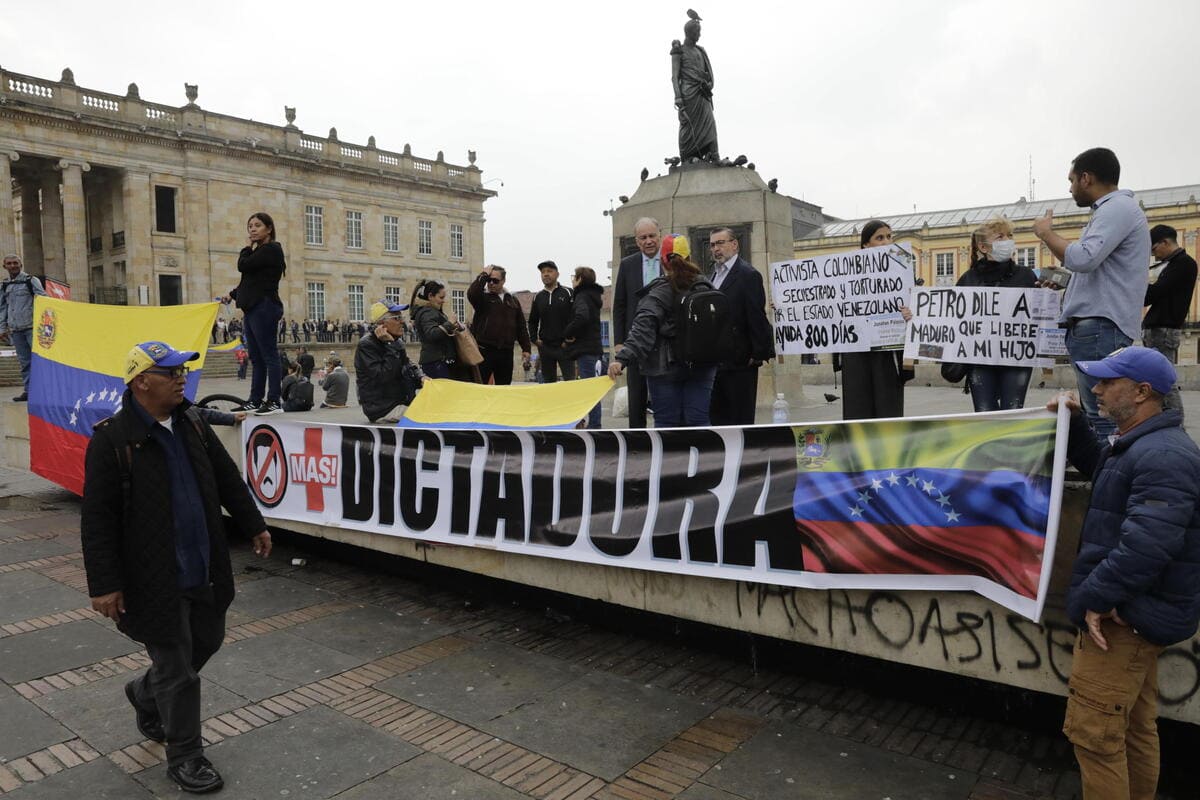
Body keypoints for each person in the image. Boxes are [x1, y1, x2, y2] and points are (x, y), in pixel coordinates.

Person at [81, 341, 272, 794]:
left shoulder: (192, 421)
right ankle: (185, 756)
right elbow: (97, 520)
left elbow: (226, 477)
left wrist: (254, 524)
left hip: (204, 565)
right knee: (179, 669)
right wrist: (105, 584)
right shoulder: (112, 438)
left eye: (182, 369)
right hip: (152, 577)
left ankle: (145, 692)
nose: (181, 377)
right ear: (141, 381)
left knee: (207, 641)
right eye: (169, 372)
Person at [1045, 347, 1200, 800]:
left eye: (1107, 383)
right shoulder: (1142, 443)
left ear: (1141, 392)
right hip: (1136, 613)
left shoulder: (1163, 456)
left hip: (1121, 622)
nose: (1096, 390)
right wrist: (1072, 425)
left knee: (1095, 737)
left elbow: (1147, 545)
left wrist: (1095, 598)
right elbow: (1106, 474)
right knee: (1133, 728)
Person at [1033, 147, 1149, 441]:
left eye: (1071, 180)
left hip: (1099, 326)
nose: (1070, 188)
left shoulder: (1115, 209)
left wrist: (1046, 234)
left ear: (1086, 178)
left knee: (1104, 412)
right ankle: (1107, 473)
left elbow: (1084, 258)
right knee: (1100, 411)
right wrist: (1065, 281)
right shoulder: (1114, 210)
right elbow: (1095, 268)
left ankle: (1109, 477)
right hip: (1098, 325)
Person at [608, 234, 717, 428]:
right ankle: (701, 458)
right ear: (689, 257)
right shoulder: (707, 286)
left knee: (667, 425)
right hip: (702, 366)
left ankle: (670, 459)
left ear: (663, 262)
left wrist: (622, 359)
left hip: (664, 368)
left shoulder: (659, 292)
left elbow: (642, 329)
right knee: (699, 423)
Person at [957, 218, 1038, 411]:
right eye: (1000, 236)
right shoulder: (968, 279)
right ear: (983, 247)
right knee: (985, 415)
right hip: (979, 361)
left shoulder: (1026, 276)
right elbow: (950, 318)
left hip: (1016, 359)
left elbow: (1039, 315)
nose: (1008, 240)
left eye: (1010, 235)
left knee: (1013, 411)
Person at [838, 221, 909, 420]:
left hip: (888, 350)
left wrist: (910, 313)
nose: (886, 242)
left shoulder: (903, 268)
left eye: (889, 236)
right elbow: (825, 303)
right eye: (880, 238)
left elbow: (918, 305)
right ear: (866, 245)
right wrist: (788, 307)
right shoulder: (847, 273)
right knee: (857, 407)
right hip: (856, 351)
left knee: (888, 407)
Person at [219, 212, 286, 416]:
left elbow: (243, 265)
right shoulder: (259, 253)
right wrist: (232, 295)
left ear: (269, 229)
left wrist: (246, 248)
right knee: (256, 357)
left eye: (257, 225)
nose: (253, 229)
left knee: (269, 355)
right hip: (253, 307)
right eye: (250, 226)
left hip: (264, 306)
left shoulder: (271, 249)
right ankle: (255, 400)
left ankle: (274, 400)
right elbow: (249, 282)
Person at [707, 228, 775, 425]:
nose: (716, 249)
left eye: (721, 243)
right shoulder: (713, 275)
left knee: (739, 419)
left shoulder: (748, 274)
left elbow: (756, 315)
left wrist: (757, 353)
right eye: (712, 245)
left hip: (740, 361)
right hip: (716, 361)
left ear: (734, 244)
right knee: (718, 419)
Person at [1142, 224, 1196, 415]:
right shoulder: (1175, 264)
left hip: (1163, 330)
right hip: (1159, 329)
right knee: (1158, 379)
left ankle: (1175, 422)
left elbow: (1153, 294)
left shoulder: (1183, 264)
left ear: (1165, 242)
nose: (1155, 256)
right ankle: (1168, 420)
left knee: (1163, 379)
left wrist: (1136, 278)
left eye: (1154, 249)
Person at [613, 218, 662, 427]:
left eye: (652, 236)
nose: (648, 241)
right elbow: (620, 305)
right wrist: (620, 341)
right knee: (636, 396)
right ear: (637, 240)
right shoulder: (627, 265)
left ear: (659, 235)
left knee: (663, 396)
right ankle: (637, 444)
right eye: (643, 237)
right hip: (634, 341)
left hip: (664, 340)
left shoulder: (672, 261)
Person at [357, 301, 421, 423]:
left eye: (401, 317)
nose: (402, 321)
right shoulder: (367, 345)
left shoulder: (396, 341)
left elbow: (407, 364)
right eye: (397, 318)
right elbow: (382, 376)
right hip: (383, 408)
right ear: (382, 324)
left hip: (399, 402)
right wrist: (390, 345)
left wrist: (421, 377)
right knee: (427, 416)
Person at [468, 265, 531, 385]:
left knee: (504, 387)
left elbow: (521, 326)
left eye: (495, 281)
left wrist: (526, 348)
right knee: (480, 385)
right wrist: (483, 276)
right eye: (489, 280)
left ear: (503, 281)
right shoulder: (483, 298)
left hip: (506, 351)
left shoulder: (512, 300)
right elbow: (472, 294)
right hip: (484, 350)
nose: (491, 283)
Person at [671, 12, 718, 162]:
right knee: (688, 127)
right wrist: (678, 97)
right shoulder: (679, 51)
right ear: (690, 32)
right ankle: (687, 157)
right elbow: (674, 77)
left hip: (702, 93)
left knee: (710, 123)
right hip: (688, 95)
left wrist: (709, 84)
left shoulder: (701, 51)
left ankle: (714, 155)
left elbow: (709, 74)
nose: (699, 35)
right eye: (697, 32)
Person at [0, 253, 48, 401]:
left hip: (32, 328)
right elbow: (2, 307)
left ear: (21, 265)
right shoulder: (5, 284)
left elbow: (43, 300)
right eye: (9, 263)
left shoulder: (31, 281)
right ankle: (28, 391)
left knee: (40, 361)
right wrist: (2, 328)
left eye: (15, 263)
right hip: (16, 330)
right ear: (4, 266)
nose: (13, 266)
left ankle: (44, 391)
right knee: (24, 362)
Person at [563, 266, 605, 429]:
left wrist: (568, 332)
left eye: (574, 277)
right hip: (595, 348)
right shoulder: (593, 296)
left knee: (589, 391)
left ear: (580, 279)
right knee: (593, 390)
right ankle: (595, 423)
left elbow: (582, 316)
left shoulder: (581, 296)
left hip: (586, 349)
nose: (573, 280)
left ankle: (594, 426)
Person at [527, 260, 575, 383]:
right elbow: (532, 320)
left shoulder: (568, 293)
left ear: (557, 274)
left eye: (549, 271)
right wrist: (534, 339)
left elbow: (575, 318)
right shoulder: (538, 297)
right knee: (548, 383)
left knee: (570, 381)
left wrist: (569, 339)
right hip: (545, 347)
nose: (546, 274)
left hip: (565, 346)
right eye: (543, 272)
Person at [409, 280, 465, 380]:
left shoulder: (428, 311)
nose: (443, 301)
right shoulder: (428, 312)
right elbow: (432, 334)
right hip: (436, 362)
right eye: (441, 297)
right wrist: (450, 323)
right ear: (430, 296)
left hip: (435, 361)